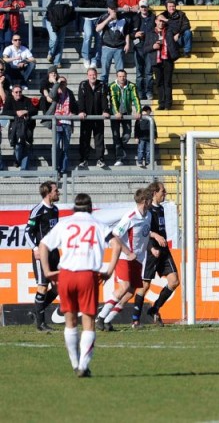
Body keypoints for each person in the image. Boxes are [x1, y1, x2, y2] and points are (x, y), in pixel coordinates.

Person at [38, 193, 126, 377]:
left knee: (70, 322)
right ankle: (84, 366)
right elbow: (116, 245)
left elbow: (43, 245)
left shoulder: (65, 223)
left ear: (74, 208)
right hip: (88, 275)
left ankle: (75, 363)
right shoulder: (98, 225)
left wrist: (47, 271)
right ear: (90, 207)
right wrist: (109, 271)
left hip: (66, 275)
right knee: (88, 322)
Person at [95, 188, 154, 331]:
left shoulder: (148, 215)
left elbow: (145, 235)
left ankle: (108, 321)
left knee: (130, 292)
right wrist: (127, 252)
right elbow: (115, 235)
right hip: (124, 257)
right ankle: (100, 318)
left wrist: (151, 248)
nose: (152, 202)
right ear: (145, 201)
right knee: (124, 286)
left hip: (138, 258)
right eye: (150, 199)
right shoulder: (130, 216)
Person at [130, 181, 178, 326]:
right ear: (155, 193)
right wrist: (152, 247)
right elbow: (144, 232)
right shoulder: (147, 211)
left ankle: (155, 308)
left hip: (163, 251)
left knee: (174, 281)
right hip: (151, 252)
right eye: (163, 191)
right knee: (144, 286)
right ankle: (135, 319)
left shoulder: (161, 209)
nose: (165, 193)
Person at [24, 181, 61, 331]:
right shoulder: (38, 210)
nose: (58, 193)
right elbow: (28, 231)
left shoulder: (56, 209)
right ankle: (41, 324)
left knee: (58, 287)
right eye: (56, 190)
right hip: (42, 253)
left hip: (54, 253)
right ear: (48, 193)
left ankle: (36, 312)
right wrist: (34, 248)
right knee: (43, 286)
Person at [76, 67, 109, 168]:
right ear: (87, 76)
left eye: (94, 74)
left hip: (98, 116)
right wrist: (81, 111)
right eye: (90, 75)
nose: (92, 76)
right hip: (86, 117)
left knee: (99, 138)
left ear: (96, 75)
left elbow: (104, 99)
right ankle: (84, 159)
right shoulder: (83, 84)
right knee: (84, 138)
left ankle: (100, 159)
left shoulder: (102, 84)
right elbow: (81, 99)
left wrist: (105, 111)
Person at [109, 69, 141, 167]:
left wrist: (138, 111)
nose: (122, 78)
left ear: (126, 76)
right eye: (120, 76)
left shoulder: (131, 86)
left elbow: (135, 98)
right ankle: (119, 158)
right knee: (116, 135)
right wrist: (116, 112)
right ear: (116, 76)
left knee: (127, 134)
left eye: (124, 76)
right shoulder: (112, 86)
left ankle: (119, 148)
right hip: (115, 115)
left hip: (127, 113)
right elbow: (113, 99)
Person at [148, 15, 179, 111]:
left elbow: (178, 26)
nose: (161, 23)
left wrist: (166, 19)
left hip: (167, 59)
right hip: (156, 60)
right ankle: (161, 103)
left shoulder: (169, 30)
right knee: (159, 83)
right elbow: (145, 48)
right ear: (155, 21)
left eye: (163, 21)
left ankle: (168, 104)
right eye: (159, 21)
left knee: (167, 82)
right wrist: (153, 47)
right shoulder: (150, 33)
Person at [2, 84, 36, 169]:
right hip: (15, 128)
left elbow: (34, 110)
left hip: (27, 127)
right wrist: (17, 113)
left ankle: (24, 169)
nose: (18, 94)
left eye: (20, 92)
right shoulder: (9, 100)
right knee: (17, 146)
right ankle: (17, 161)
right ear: (12, 93)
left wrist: (26, 111)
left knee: (26, 147)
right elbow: (5, 112)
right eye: (16, 92)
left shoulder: (27, 100)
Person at [76, 0, 106, 69]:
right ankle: (86, 57)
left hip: (98, 18)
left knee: (98, 39)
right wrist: (95, 5)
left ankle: (95, 59)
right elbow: (80, 3)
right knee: (88, 36)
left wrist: (89, 4)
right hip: (87, 18)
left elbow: (103, 3)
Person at [96, 7, 131, 85]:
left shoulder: (123, 19)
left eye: (114, 9)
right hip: (106, 47)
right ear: (108, 9)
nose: (113, 11)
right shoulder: (103, 17)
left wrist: (127, 43)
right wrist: (108, 19)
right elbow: (97, 29)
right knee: (104, 72)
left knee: (121, 72)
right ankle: (103, 90)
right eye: (111, 9)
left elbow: (127, 33)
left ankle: (120, 89)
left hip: (119, 48)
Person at [51, 75, 77, 175]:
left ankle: (63, 169)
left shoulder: (70, 93)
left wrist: (74, 113)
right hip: (57, 122)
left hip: (67, 122)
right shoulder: (55, 92)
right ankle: (55, 168)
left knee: (65, 148)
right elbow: (51, 96)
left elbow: (74, 106)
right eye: (60, 83)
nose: (62, 85)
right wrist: (57, 83)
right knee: (56, 146)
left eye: (64, 83)